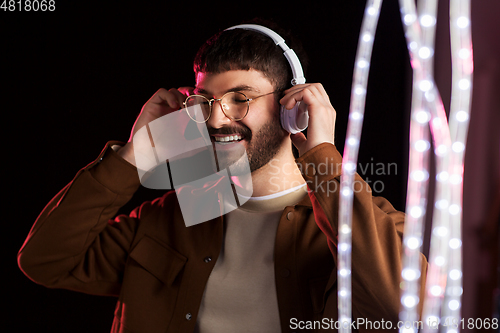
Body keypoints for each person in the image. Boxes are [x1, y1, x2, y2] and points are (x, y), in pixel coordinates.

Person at [18, 20, 427, 332]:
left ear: (294, 109)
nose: (215, 119)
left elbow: (401, 309)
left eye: (240, 99)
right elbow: (45, 261)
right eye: (205, 100)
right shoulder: (172, 217)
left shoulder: (362, 226)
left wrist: (324, 158)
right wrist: (136, 153)